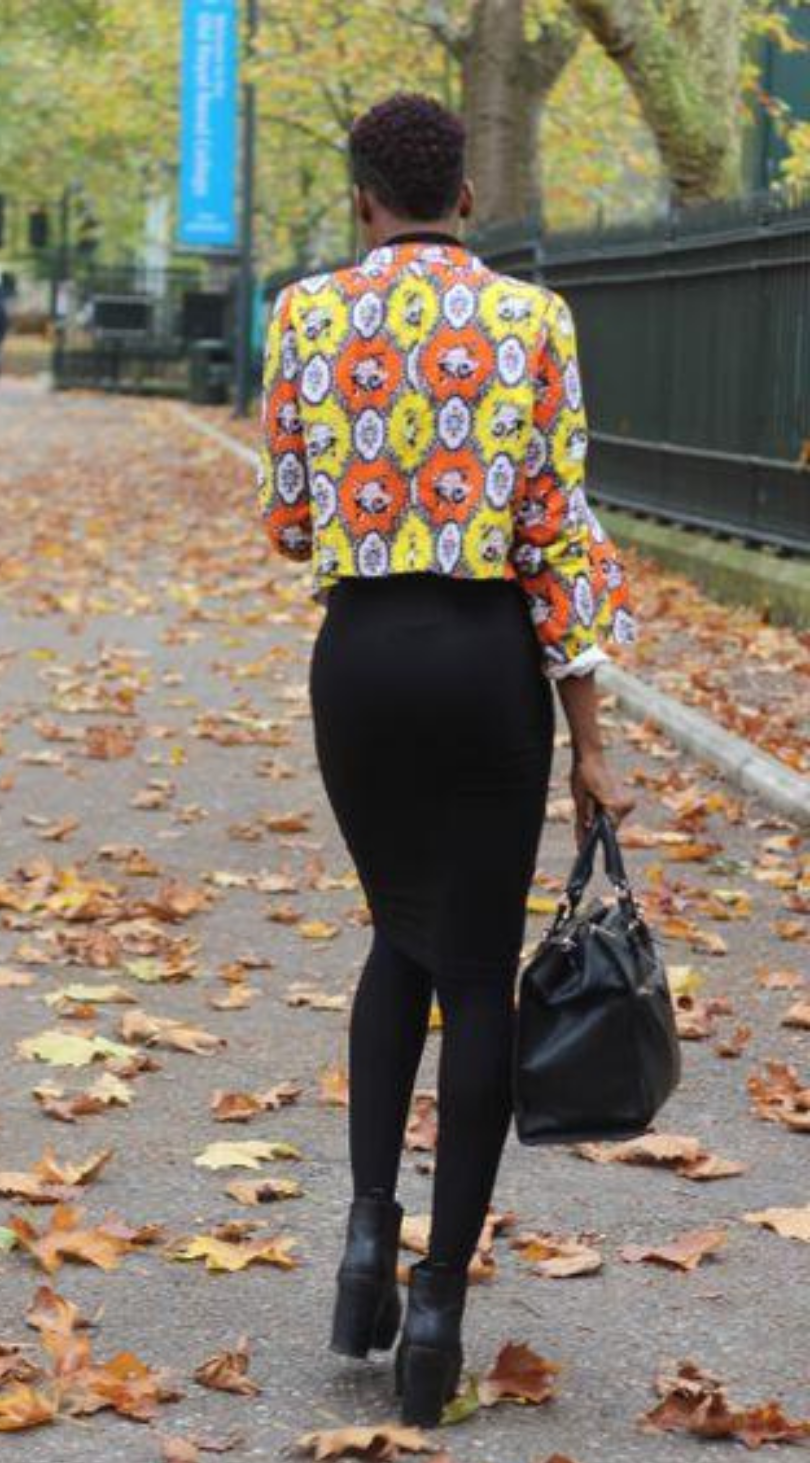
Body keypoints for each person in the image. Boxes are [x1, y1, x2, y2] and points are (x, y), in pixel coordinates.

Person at [256, 92, 637, 1428]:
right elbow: (559, 537)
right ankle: (434, 1305)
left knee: (394, 934)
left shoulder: (304, 314)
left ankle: (364, 1233)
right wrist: (589, 745)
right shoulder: (536, 322)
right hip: (486, 665)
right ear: (466, 198)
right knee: (471, 969)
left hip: (360, 661)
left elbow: (290, 520)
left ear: (361, 200)